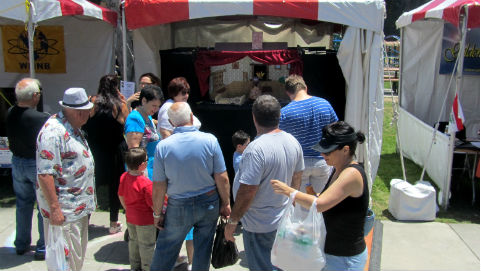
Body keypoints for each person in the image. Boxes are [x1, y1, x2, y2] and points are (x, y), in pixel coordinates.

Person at [271, 121, 369, 271]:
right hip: (332, 253)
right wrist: (312, 196)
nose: (322, 154)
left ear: (345, 150)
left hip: (344, 258)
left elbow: (321, 204)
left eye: (328, 151)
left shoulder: (351, 174)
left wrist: (288, 191)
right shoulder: (338, 169)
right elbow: (328, 201)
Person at [224, 95, 304, 271]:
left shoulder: (255, 149)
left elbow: (247, 191)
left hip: (260, 225)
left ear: (254, 117)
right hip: (282, 219)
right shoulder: (293, 141)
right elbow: (297, 178)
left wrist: (232, 223)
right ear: (279, 116)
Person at [150, 102, 231, 271]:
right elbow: (222, 177)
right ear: (192, 117)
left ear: (172, 123)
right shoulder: (210, 140)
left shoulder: (163, 147)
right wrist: (226, 203)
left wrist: (157, 213)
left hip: (178, 205)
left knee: (166, 250)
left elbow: (159, 185)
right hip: (208, 201)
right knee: (203, 250)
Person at [36, 88, 95, 271]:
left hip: (77, 208)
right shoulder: (53, 133)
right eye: (86, 111)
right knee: (65, 264)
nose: (88, 115)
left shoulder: (73, 127)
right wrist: (55, 209)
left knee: (75, 261)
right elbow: (45, 174)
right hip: (65, 212)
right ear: (77, 112)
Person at [6, 78, 49, 260]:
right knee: (42, 206)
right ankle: (42, 246)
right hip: (34, 164)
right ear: (34, 96)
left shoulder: (10, 112)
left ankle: (21, 243)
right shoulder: (41, 118)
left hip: (17, 162)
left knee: (23, 204)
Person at [83, 74, 129, 234]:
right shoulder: (120, 105)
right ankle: (113, 222)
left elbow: (85, 123)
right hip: (115, 149)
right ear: (116, 87)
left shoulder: (91, 102)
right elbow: (126, 123)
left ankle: (85, 220)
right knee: (115, 186)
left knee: (91, 185)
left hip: (95, 150)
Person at [279, 74, 338, 195]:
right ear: (305, 88)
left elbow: (280, 139)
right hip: (323, 160)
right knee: (320, 202)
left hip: (299, 164)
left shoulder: (284, 113)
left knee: (300, 204)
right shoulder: (324, 104)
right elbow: (336, 129)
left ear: (287, 92)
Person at [118, 147, 156, 271]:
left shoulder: (124, 177)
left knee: (133, 242)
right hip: (145, 220)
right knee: (147, 245)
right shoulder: (146, 183)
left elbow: (121, 195)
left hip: (130, 217)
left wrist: (127, 208)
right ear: (143, 165)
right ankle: (147, 267)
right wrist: (159, 214)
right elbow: (152, 204)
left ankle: (135, 266)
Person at [125, 84, 163, 180]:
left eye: (158, 106)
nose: (156, 109)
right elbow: (134, 149)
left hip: (152, 167)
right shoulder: (135, 119)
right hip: (142, 171)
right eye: (154, 105)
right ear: (144, 101)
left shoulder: (148, 116)